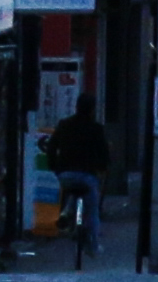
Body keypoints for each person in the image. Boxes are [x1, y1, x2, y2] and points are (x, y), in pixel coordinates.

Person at [42, 101, 110, 271]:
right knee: (92, 210)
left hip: (65, 174)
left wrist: (54, 167)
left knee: (73, 187)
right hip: (88, 175)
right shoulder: (96, 128)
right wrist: (102, 168)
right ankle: (93, 247)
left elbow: (51, 147)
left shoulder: (64, 125)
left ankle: (67, 211)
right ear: (92, 110)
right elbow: (104, 153)